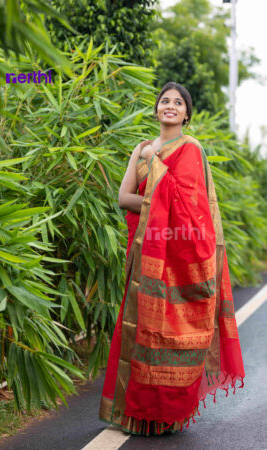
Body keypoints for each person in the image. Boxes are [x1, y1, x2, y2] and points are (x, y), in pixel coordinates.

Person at [98, 81, 245, 436]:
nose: (170, 106)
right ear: (156, 109)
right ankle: (135, 415)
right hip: (145, 253)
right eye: (165, 101)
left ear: (186, 114)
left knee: (171, 335)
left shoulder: (192, 150)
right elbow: (123, 197)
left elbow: (193, 211)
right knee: (141, 332)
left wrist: (155, 184)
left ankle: (167, 416)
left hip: (179, 258)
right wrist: (155, 195)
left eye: (178, 103)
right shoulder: (143, 149)